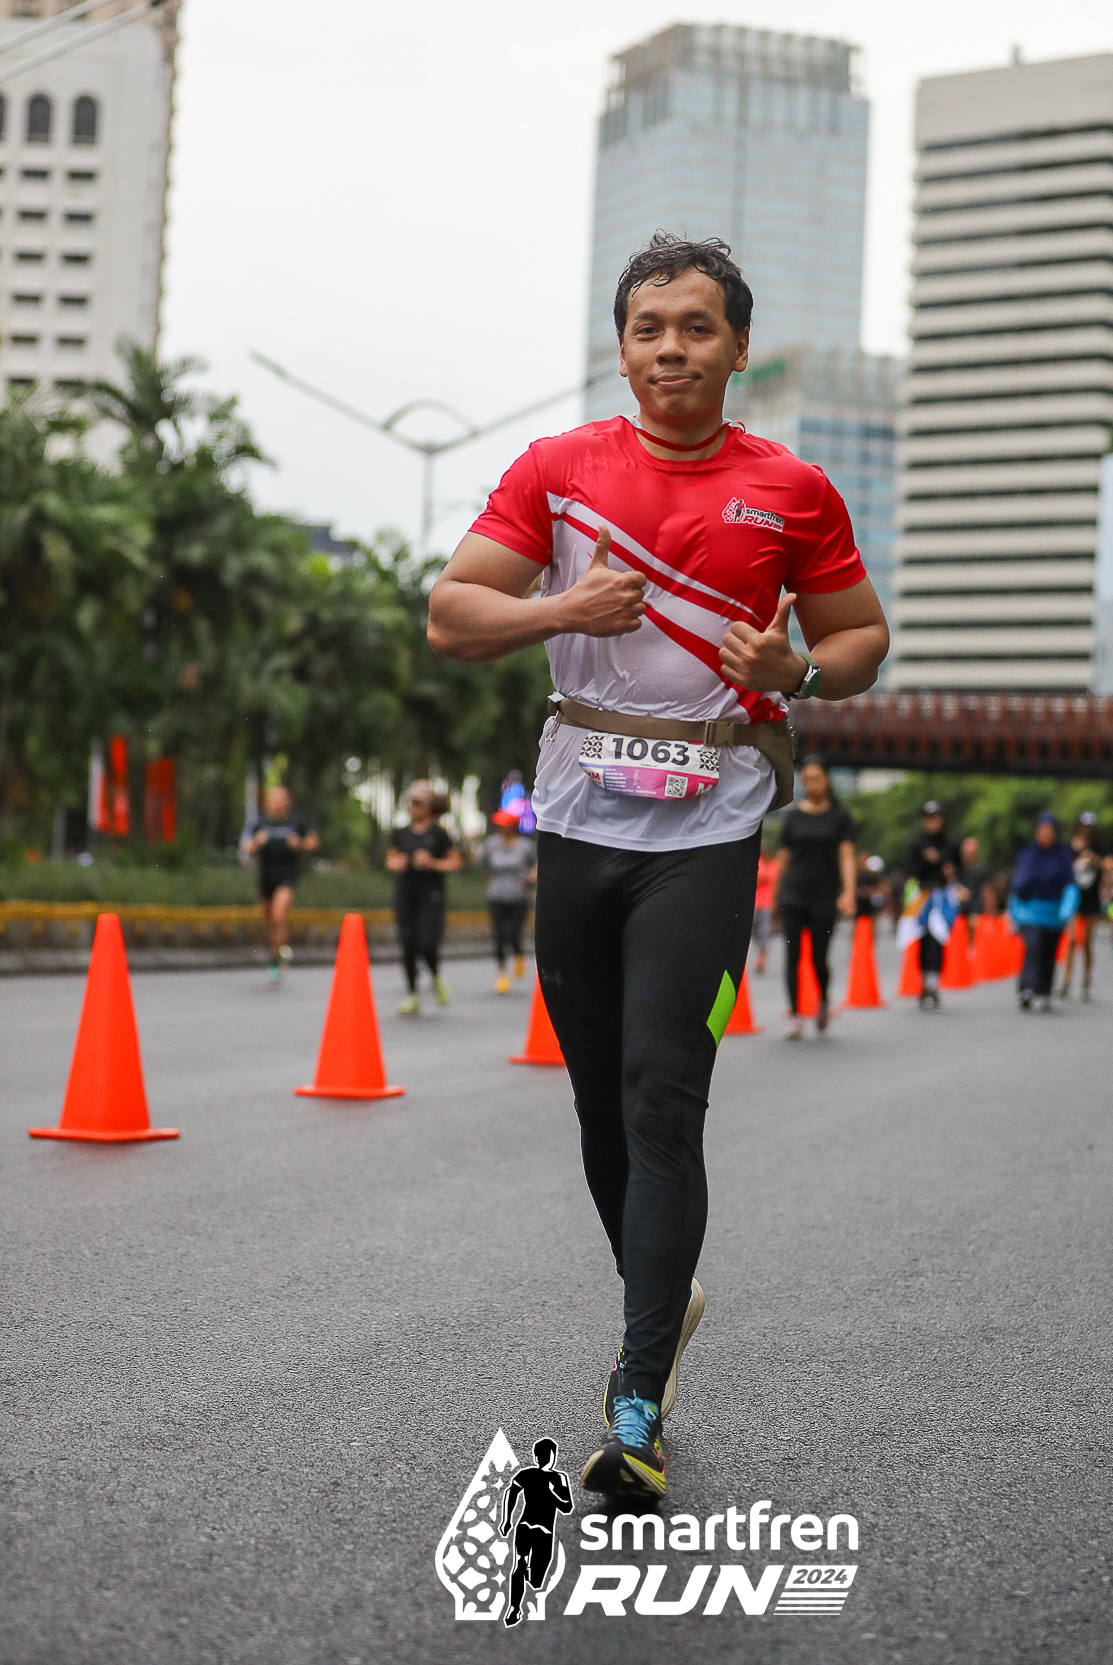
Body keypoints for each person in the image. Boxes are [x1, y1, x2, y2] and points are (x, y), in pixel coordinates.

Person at [427, 232, 888, 1499]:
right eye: (648, 328)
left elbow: (859, 637)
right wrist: (559, 610)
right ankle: (661, 1293)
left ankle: (635, 1400)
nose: (670, 349)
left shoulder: (792, 489)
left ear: (738, 348)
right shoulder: (558, 469)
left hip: (709, 827)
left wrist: (795, 671)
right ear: (621, 348)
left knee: (658, 1098)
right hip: (577, 818)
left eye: (695, 327)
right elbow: (452, 612)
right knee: (596, 1108)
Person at [774, 760, 857, 1037]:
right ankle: (795, 1015)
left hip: (825, 894)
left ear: (827, 780)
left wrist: (848, 892)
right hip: (793, 893)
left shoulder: (839, 816)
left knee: (819, 957)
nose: (812, 784)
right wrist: (775, 897)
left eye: (817, 778)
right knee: (792, 954)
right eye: (807, 778)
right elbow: (783, 858)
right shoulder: (793, 816)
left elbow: (846, 855)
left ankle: (822, 998)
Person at [385, 784, 462, 1014]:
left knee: (427, 942)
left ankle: (436, 977)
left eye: (418, 803)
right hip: (406, 893)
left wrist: (432, 863)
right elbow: (390, 860)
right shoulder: (400, 833)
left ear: (429, 806)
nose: (413, 807)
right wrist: (398, 863)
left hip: (431, 894)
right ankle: (412, 993)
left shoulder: (439, 834)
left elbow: (456, 863)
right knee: (408, 943)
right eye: (411, 802)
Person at [1008, 812, 1079, 1014]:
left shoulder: (1062, 855)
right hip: (1029, 912)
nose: (1045, 834)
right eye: (1042, 830)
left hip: (1054, 914)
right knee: (1033, 947)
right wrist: (1012, 913)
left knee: (1049, 953)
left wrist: (1066, 911)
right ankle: (1027, 988)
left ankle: (1044, 991)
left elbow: (1070, 886)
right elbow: (1017, 885)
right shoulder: (1028, 854)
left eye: (1049, 830)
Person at [499, 1438, 573, 1628]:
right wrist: (506, 1520)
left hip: (543, 1531)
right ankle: (514, 1608)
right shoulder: (527, 1474)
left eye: (547, 1455)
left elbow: (567, 1507)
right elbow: (511, 1493)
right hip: (527, 1526)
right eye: (542, 1455)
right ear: (537, 1456)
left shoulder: (559, 1478)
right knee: (520, 1562)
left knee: (536, 1580)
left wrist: (550, 1494)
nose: (545, 1458)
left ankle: (526, 1575)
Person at [247, 783, 318, 981]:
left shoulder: (297, 821)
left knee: (278, 916)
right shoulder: (260, 823)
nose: (277, 802)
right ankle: (277, 954)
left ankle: (277, 958)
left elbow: (313, 842)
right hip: (266, 878)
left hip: (287, 876)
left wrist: (300, 843)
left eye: (281, 798)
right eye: (274, 799)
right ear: (268, 802)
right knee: (271, 923)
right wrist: (256, 843)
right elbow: (247, 850)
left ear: (287, 801)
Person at [904, 801, 959, 1008]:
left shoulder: (950, 844)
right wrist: (925, 861)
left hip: (942, 896)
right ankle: (925, 981)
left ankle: (933, 982)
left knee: (939, 938)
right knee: (923, 939)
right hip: (922, 896)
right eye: (929, 819)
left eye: (936, 818)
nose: (933, 822)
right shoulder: (917, 844)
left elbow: (958, 867)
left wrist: (945, 865)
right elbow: (909, 869)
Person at [482, 810, 537, 994]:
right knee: (499, 935)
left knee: (513, 933)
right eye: (500, 825)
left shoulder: (525, 846)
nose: (502, 829)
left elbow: (536, 866)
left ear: (513, 826)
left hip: (518, 897)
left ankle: (518, 954)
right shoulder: (491, 844)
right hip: (496, 896)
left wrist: (530, 877)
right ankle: (502, 974)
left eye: (505, 825)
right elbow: (484, 865)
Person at [1059, 813, 1102, 1001]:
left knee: (1087, 943)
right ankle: (1066, 981)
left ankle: (1086, 981)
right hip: (1074, 898)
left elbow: (1110, 865)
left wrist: (1093, 858)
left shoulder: (1097, 847)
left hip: (1091, 898)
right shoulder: (1070, 847)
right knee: (1071, 940)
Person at [752, 845, 780, 975]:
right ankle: (758, 951)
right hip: (755, 903)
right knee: (754, 931)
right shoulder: (758, 863)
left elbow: (777, 882)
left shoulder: (776, 864)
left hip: (768, 904)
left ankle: (761, 958)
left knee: (765, 932)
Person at [957, 835, 986, 940]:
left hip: (975, 908)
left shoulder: (981, 868)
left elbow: (983, 892)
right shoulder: (958, 868)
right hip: (958, 908)